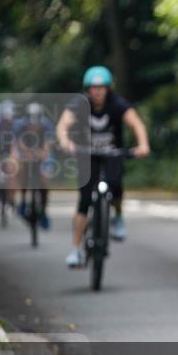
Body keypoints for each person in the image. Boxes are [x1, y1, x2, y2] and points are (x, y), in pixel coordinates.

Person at [56, 66, 150, 268]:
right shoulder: (79, 104)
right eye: (94, 88)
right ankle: (75, 249)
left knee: (116, 187)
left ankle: (118, 218)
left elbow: (137, 125)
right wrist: (66, 143)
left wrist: (143, 145)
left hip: (112, 153)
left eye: (102, 88)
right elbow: (63, 125)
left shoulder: (117, 104)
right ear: (88, 89)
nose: (98, 92)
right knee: (84, 200)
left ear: (108, 89)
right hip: (86, 154)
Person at [12, 102, 56, 229]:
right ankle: (23, 200)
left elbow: (48, 144)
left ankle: (43, 211)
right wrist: (26, 153)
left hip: (42, 152)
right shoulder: (20, 125)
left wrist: (43, 154)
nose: (33, 126)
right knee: (20, 170)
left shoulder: (47, 125)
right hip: (25, 151)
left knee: (45, 178)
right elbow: (18, 142)